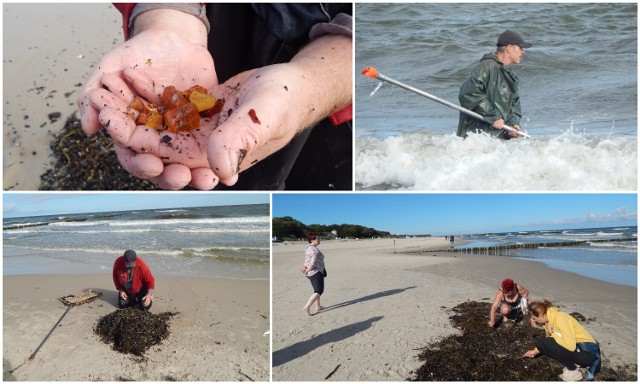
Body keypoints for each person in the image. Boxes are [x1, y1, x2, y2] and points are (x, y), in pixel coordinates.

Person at [77, 4, 353, 190]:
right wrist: (165, 15)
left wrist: (321, 81)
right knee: (201, 168)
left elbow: (382, 30)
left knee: (316, 188)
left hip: (333, 81)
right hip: (212, 25)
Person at [457, 30, 532, 140]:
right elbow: (468, 94)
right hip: (474, 140)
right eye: (520, 47)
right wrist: (493, 116)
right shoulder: (486, 67)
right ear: (510, 48)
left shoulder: (511, 76)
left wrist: (512, 125)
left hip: (495, 141)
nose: (523, 51)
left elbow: (514, 103)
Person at [524, 300, 601, 382]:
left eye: (534, 318)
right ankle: (575, 364)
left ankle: (573, 371)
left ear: (540, 315)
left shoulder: (560, 318)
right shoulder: (547, 322)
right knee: (543, 344)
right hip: (579, 349)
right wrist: (535, 351)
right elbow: (552, 343)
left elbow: (570, 346)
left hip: (588, 351)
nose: (534, 321)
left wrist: (553, 333)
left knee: (544, 342)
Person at [301, 232, 326, 316]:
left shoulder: (308, 248)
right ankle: (307, 306)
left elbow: (306, 259)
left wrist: (305, 267)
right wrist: (308, 269)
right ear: (312, 240)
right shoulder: (314, 250)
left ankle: (318, 306)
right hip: (316, 272)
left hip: (312, 272)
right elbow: (312, 262)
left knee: (316, 290)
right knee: (319, 290)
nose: (320, 240)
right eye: (318, 238)